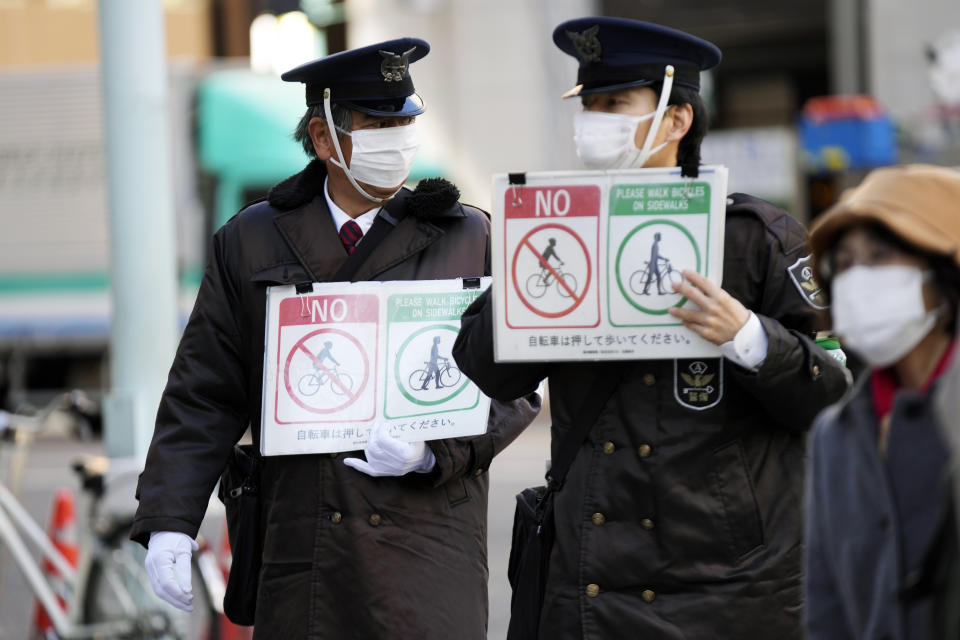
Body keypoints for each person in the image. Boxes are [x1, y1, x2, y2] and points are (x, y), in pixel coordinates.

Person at [452, 17, 848, 639]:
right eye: (588, 105)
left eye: (614, 103)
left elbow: (834, 394)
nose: (594, 121)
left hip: (725, 585)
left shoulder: (755, 237)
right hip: (591, 581)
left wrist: (748, 335)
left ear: (676, 120)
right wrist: (531, 269)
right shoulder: (560, 230)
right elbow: (484, 370)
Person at [130, 38, 539, 639]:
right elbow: (205, 392)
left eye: (405, 122)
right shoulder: (252, 239)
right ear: (323, 139)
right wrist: (170, 518)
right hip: (305, 546)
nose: (398, 139)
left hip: (427, 547)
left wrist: (434, 453)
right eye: (378, 124)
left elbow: (517, 385)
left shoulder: (465, 234)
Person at [805, 164, 960, 640]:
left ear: (943, 271)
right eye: (845, 262)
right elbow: (824, 605)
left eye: (881, 255)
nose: (858, 278)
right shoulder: (836, 434)